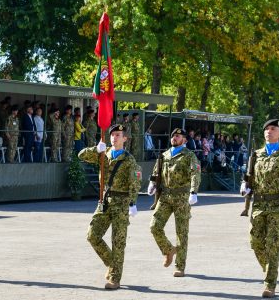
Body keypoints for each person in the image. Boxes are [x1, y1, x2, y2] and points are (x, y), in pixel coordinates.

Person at [78, 124, 142, 290]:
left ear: (125, 139)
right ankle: (112, 264)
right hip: (105, 201)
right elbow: (81, 155)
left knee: (118, 242)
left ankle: (115, 278)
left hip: (121, 202)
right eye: (112, 134)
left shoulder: (128, 160)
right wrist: (96, 149)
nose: (114, 137)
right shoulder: (104, 154)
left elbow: (135, 182)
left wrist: (133, 202)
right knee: (93, 235)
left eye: (118, 135)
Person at [240, 119, 279, 298]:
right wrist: (245, 185)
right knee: (255, 242)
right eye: (266, 129)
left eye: (273, 129)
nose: (268, 131)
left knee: (272, 243)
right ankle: (269, 268)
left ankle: (270, 283)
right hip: (258, 204)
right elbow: (249, 176)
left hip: (276, 205)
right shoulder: (256, 154)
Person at [148, 128, 201, 277]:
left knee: (181, 233)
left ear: (184, 139)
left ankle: (180, 266)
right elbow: (156, 171)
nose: (174, 138)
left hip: (182, 197)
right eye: (173, 136)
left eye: (177, 136)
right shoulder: (164, 155)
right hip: (165, 196)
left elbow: (195, 173)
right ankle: (168, 250)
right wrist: (152, 184)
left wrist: (193, 191)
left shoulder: (189, 155)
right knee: (154, 226)